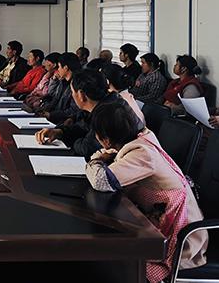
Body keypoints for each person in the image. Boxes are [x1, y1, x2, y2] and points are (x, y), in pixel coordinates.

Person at [85, 102, 208, 283]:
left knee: (110, 257)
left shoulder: (143, 153)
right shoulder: (142, 139)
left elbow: (101, 180)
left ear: (106, 139)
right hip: (160, 225)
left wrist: (96, 160)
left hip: (182, 240)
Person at [35, 69, 144, 160]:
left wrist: (70, 139)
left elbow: (87, 148)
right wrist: (60, 132)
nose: (72, 96)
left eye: (72, 92)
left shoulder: (109, 112)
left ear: (81, 95)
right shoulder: (102, 102)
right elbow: (82, 127)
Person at [39, 52, 82, 124]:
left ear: (66, 68)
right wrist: (44, 110)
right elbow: (55, 99)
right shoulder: (63, 81)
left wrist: (51, 115)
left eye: (59, 67)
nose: (58, 70)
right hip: (55, 119)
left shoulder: (77, 84)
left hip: (64, 122)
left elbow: (73, 110)